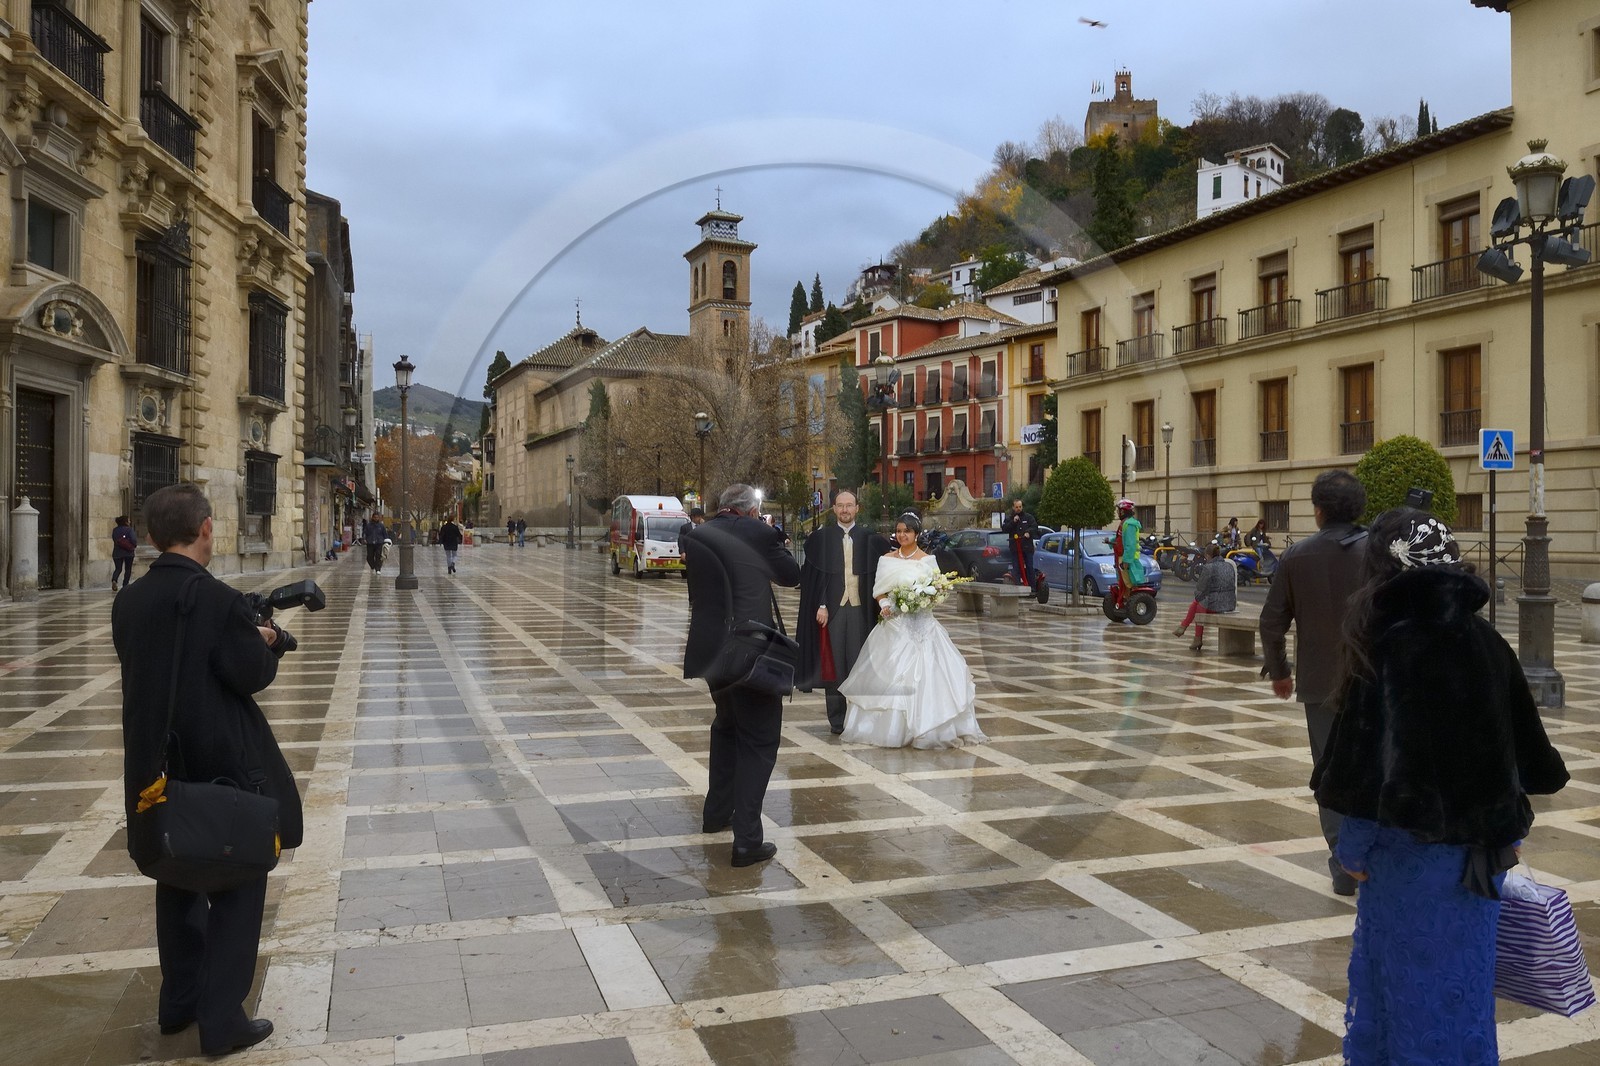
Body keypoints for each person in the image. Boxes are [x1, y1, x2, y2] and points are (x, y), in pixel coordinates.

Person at [1312, 508, 1568, 1065]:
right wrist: (1508, 827)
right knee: (1462, 995)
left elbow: (1361, 767)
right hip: (1478, 867)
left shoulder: (1386, 643)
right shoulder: (1486, 640)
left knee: (1403, 996)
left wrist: (1350, 850)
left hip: (1406, 863)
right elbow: (1525, 751)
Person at [113, 483, 302, 1056]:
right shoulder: (216, 600)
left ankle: (179, 1005)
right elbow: (250, 674)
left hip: (157, 769)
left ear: (149, 537)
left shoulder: (129, 602)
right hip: (221, 769)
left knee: (176, 878)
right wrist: (267, 641)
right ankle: (222, 1021)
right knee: (240, 885)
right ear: (205, 530)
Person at [1259, 469, 1368, 895]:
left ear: (1318, 511)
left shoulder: (1296, 556)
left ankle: (1344, 865)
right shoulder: (1379, 554)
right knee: (1377, 766)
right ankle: (1374, 859)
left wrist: (1282, 672)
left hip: (1320, 686)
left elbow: (1271, 623)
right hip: (1375, 683)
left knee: (1329, 773)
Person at [682, 484, 801, 867]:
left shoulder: (697, 536)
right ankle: (747, 840)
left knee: (727, 727)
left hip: (709, 653)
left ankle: (716, 813)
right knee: (759, 740)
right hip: (750, 653)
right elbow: (790, 574)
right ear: (751, 510)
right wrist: (773, 536)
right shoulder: (759, 533)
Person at [837, 513, 986, 748]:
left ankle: (929, 727)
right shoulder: (886, 559)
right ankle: (890, 730)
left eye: (907, 531)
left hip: (923, 624)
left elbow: (939, 590)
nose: (902, 535)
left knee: (933, 676)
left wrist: (926, 600)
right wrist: (885, 605)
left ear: (917, 534)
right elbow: (879, 590)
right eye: (898, 531)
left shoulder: (928, 560)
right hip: (895, 624)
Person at [796, 490, 892, 734]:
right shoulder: (821, 539)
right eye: (840, 506)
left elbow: (884, 577)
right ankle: (837, 721)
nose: (845, 510)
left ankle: (859, 717)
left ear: (857, 508)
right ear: (834, 509)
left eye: (849, 505)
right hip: (833, 611)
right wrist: (821, 604)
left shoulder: (871, 539)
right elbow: (813, 578)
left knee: (861, 665)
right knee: (834, 666)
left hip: (862, 612)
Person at [1172, 543, 1235, 651]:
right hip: (1230, 603)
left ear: (1207, 556)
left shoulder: (1208, 568)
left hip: (1217, 605)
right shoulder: (1229, 565)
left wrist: (1198, 597)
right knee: (1199, 604)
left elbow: (1200, 588)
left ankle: (1192, 633)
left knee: (1198, 605)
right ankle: (1188, 631)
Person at [1000, 497, 1039, 586]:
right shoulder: (1009, 518)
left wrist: (1028, 532)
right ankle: (1017, 587)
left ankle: (1032, 587)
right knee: (1016, 568)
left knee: (1029, 567)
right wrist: (1013, 522)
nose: (1019, 509)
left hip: (1027, 547)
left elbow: (1034, 527)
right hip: (1015, 548)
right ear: (1013, 507)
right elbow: (1005, 529)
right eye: (1017, 507)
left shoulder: (1028, 517)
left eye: (1020, 507)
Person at [1112, 498, 1145, 586]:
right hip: (1122, 557)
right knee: (1123, 585)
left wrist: (1126, 561)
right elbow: (1120, 537)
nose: (1117, 513)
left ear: (1122, 511)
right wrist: (1111, 541)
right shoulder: (1124, 523)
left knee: (1129, 584)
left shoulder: (1129, 524)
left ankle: (1130, 599)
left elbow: (1130, 544)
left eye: (1118, 510)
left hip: (1128, 559)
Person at [112, 514, 138, 591]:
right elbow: (133, 540)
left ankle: (114, 579)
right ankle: (125, 585)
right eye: (128, 520)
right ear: (126, 522)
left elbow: (114, 539)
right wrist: (134, 545)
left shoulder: (115, 530)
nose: (129, 522)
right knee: (128, 569)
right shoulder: (129, 530)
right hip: (128, 552)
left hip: (117, 552)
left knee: (118, 568)